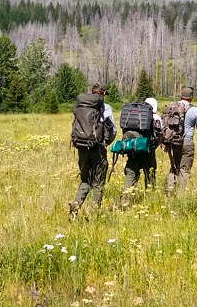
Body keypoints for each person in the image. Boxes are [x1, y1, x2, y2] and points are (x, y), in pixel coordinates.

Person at [69, 82, 116, 219]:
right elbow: (112, 130)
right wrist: (106, 143)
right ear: (102, 94)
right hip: (98, 148)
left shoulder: (81, 106)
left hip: (82, 147)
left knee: (85, 180)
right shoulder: (105, 107)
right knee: (98, 182)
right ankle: (95, 212)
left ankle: (76, 204)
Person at [119, 96, 163, 207]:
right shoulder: (156, 117)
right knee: (150, 174)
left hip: (132, 150)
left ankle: (125, 200)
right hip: (147, 152)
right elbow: (159, 136)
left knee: (131, 173)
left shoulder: (134, 115)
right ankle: (150, 200)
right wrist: (153, 146)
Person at [164, 86, 197, 194]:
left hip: (172, 142)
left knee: (173, 168)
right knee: (184, 170)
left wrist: (164, 142)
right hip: (187, 143)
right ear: (191, 97)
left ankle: (169, 194)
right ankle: (182, 196)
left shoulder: (172, 107)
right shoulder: (194, 110)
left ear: (180, 96)